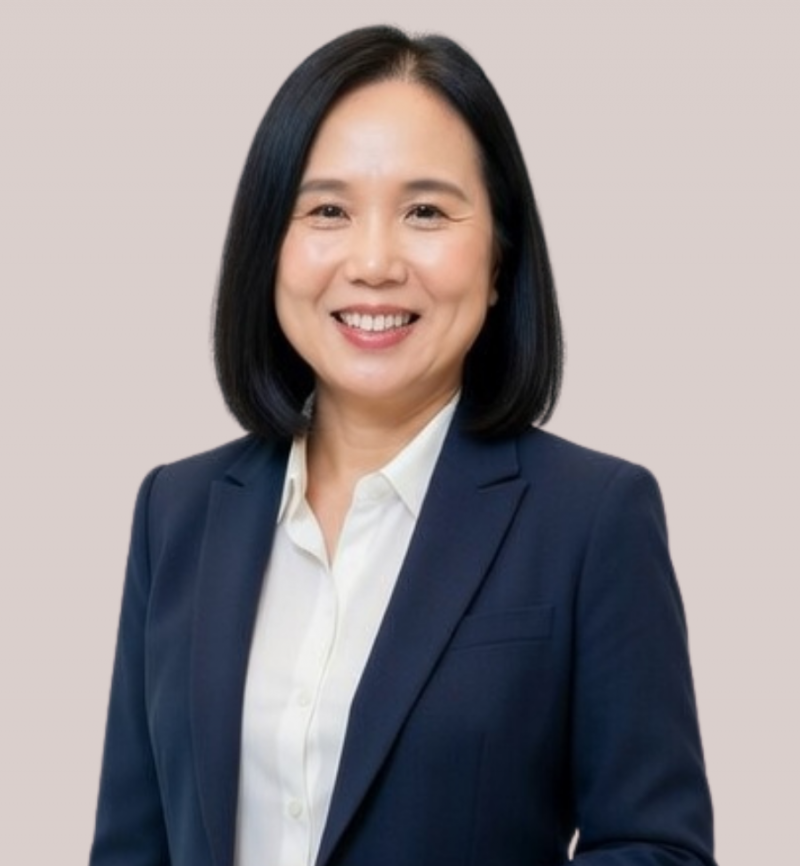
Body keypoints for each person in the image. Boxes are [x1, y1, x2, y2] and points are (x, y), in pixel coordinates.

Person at [89, 25, 718, 866]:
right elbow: (130, 849)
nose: (375, 262)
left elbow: (658, 849)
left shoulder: (593, 520)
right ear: (269, 246)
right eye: (328, 210)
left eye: (425, 211)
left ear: (499, 258)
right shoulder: (176, 512)